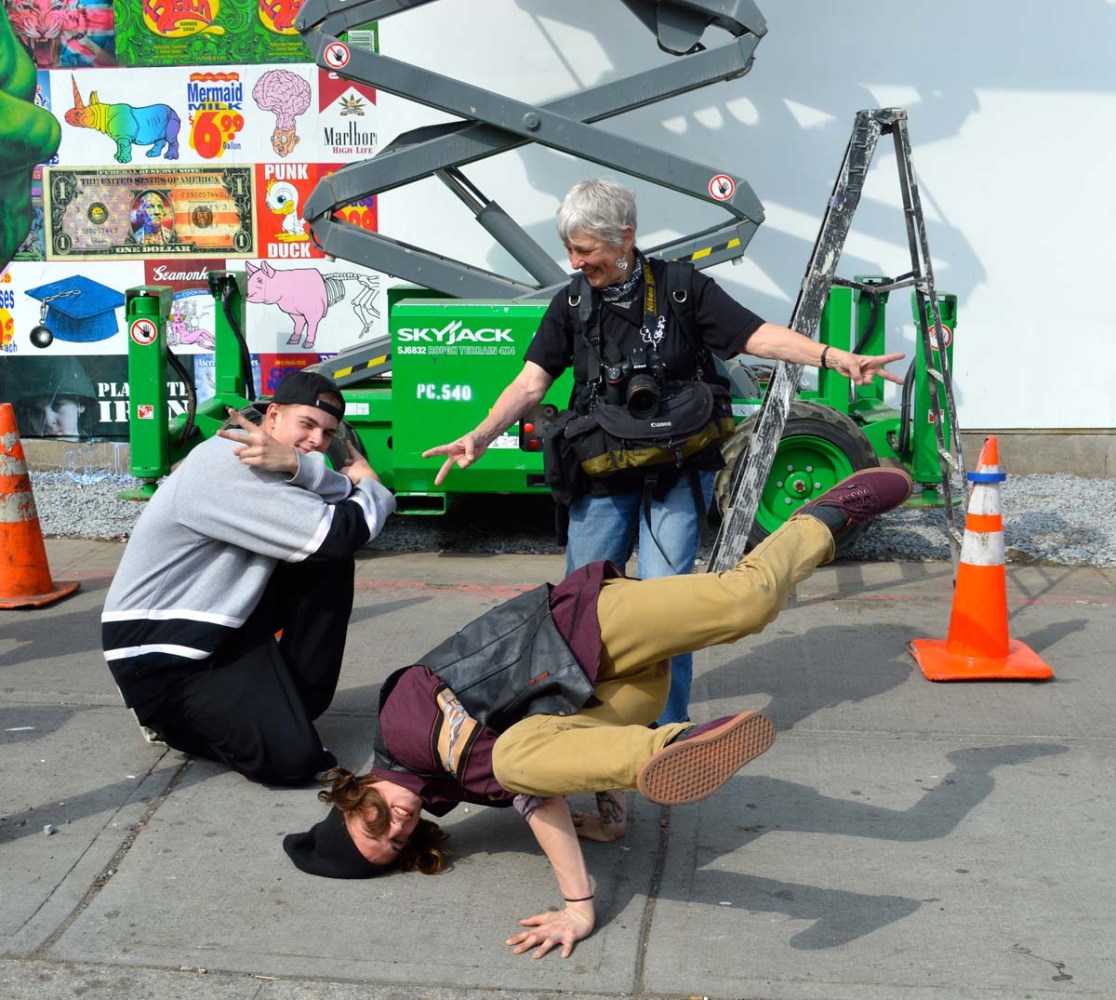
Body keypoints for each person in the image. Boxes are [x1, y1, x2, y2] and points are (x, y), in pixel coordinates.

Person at [283, 467, 913, 959]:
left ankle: (828, 515)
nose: (394, 831)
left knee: (746, 602)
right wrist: (611, 814)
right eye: (395, 846)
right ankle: (663, 747)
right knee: (529, 760)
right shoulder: (441, 785)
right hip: (614, 697)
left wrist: (578, 905)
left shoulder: (402, 728)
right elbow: (566, 755)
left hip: (584, 630)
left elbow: (531, 786)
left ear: (349, 798)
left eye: (372, 829)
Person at [423, 178, 906, 729]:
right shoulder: (572, 303)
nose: (576, 262)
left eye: (586, 250)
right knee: (584, 606)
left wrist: (831, 356)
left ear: (625, 237)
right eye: (571, 249)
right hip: (601, 475)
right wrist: (479, 436)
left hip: (678, 471)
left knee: (671, 607)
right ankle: (581, 722)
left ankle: (667, 732)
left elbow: (756, 336)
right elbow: (530, 383)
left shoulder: (682, 290)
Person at [101, 371, 396, 786]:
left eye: (327, 434)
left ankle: (285, 705)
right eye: (306, 425)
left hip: (222, 623)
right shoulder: (232, 460)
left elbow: (332, 497)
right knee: (294, 760)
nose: (316, 441)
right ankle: (165, 720)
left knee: (327, 565)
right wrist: (374, 488)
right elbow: (338, 530)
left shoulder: (278, 462)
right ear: (273, 415)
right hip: (162, 651)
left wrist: (301, 466)